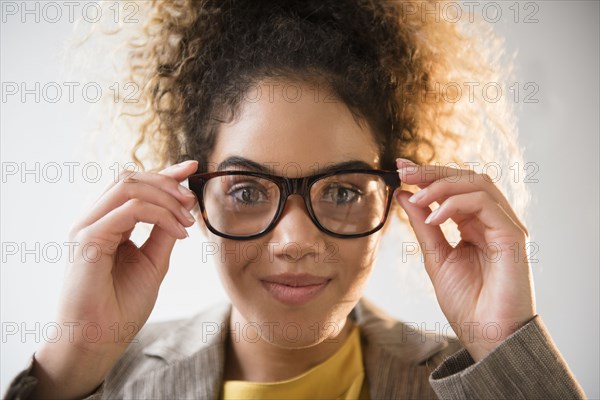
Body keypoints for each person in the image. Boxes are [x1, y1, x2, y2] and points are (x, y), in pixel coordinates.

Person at [5, 0, 586, 399]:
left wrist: (506, 351)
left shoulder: (477, 383)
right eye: (248, 190)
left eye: (339, 190)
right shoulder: (100, 381)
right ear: (194, 200)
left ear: (397, 196)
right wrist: (71, 366)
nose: (296, 241)